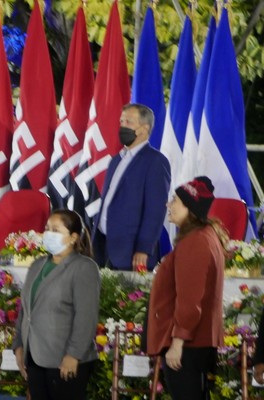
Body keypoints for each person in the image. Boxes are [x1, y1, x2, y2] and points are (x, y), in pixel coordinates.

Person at [146, 177, 226, 400]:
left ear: (190, 208)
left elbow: (190, 300)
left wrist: (178, 342)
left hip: (188, 344)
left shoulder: (195, 242)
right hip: (197, 341)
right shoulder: (205, 238)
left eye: (174, 200)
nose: (168, 204)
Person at [12, 209, 100, 400]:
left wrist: (74, 355)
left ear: (73, 237)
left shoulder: (84, 268)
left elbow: (86, 317)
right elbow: (25, 310)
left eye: (56, 230)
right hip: (35, 356)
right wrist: (19, 344)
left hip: (64, 359)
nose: (48, 234)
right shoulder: (38, 265)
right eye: (47, 229)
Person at [92, 103, 170, 271]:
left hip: (132, 251)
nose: (122, 126)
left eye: (129, 122)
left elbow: (155, 211)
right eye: (121, 121)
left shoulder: (155, 162)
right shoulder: (116, 160)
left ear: (144, 128)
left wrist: (144, 248)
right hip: (104, 245)